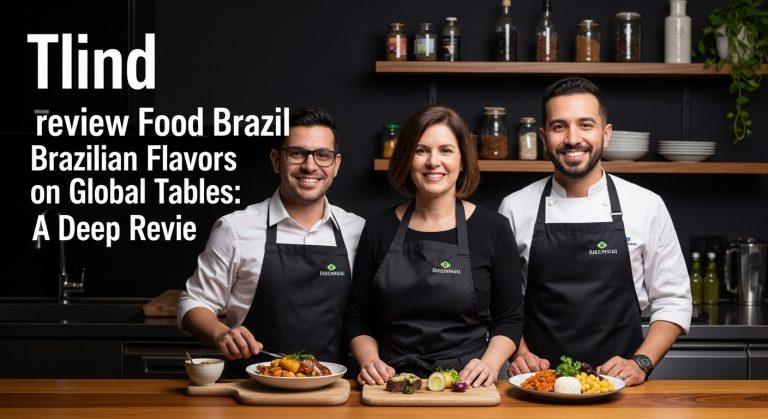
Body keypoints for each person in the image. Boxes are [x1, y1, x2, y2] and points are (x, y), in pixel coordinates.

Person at [499, 77, 692, 386]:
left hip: (621, 388)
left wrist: (641, 362)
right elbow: (500, 303)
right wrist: (519, 354)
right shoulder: (515, 208)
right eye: (559, 126)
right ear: (544, 136)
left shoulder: (646, 205)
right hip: (538, 385)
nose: (572, 139)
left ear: (606, 133)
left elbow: (674, 299)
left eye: (585, 125)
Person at [347, 106, 525, 388]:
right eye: (421, 150)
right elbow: (358, 318)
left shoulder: (493, 229)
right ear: (407, 159)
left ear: (462, 161)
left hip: (467, 383)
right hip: (391, 382)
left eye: (446, 150)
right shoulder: (378, 228)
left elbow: (510, 318)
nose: (433, 162)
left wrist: (490, 364)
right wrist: (370, 361)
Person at [178, 108, 365, 375]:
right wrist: (221, 333)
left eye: (323, 155)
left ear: (336, 165)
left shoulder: (358, 231)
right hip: (251, 388)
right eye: (297, 153)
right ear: (277, 160)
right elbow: (194, 303)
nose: (310, 166)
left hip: (333, 387)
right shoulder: (235, 228)